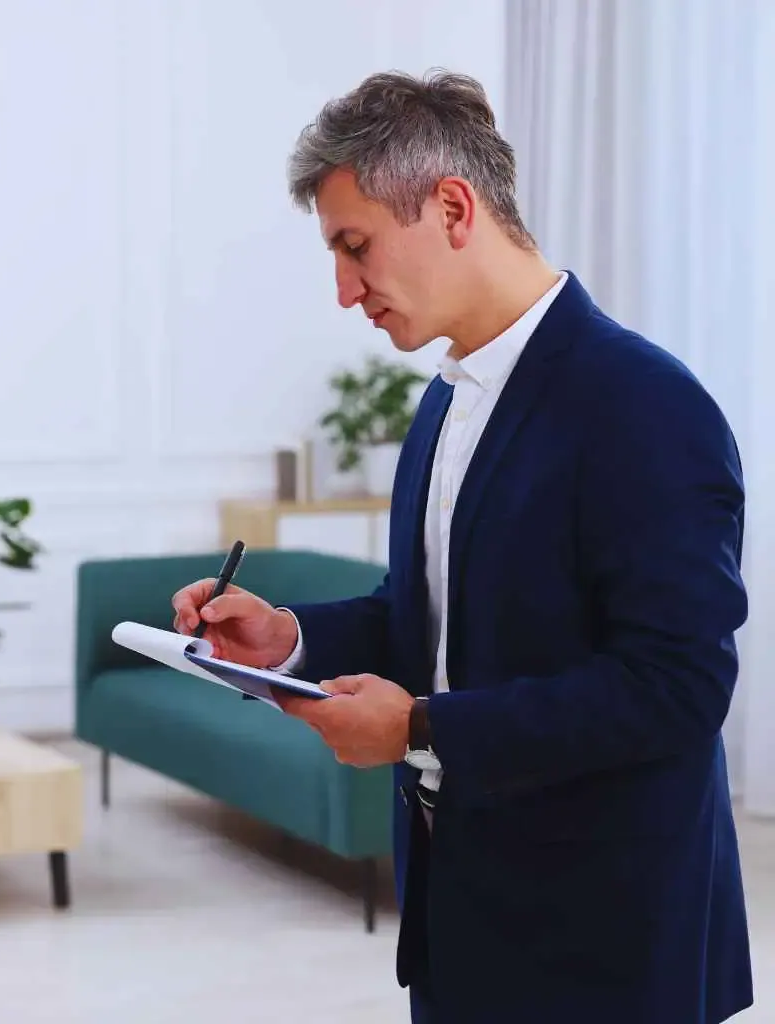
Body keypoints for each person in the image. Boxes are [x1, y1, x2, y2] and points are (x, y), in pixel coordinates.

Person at [171, 69, 753, 1024]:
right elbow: (428, 616)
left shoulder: (647, 406)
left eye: (354, 247)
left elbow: (678, 689)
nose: (345, 289)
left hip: (605, 941)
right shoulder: (443, 401)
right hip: (459, 915)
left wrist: (420, 731)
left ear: (451, 206)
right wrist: (285, 640)